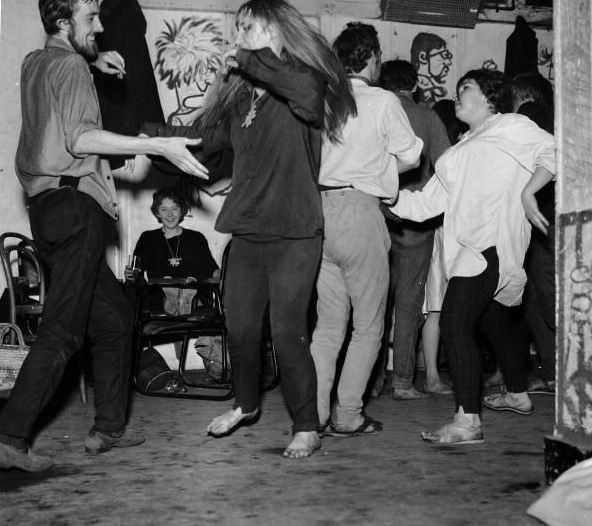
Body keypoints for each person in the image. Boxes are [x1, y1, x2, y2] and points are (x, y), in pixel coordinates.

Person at [142, 0, 356, 459]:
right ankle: (245, 404)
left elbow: (306, 93)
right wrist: (142, 137)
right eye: (236, 29)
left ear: (277, 33)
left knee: (286, 332)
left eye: (247, 27)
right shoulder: (241, 98)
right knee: (238, 329)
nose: (238, 35)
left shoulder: (302, 82)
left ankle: (306, 425)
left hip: (295, 232)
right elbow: (198, 141)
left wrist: (245, 59)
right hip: (248, 230)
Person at [0, 0, 207, 473]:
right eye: (90, 19)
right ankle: (10, 436)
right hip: (76, 208)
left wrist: (92, 59)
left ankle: (109, 427)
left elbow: (59, 73)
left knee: (113, 317)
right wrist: (153, 143)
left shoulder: (39, 62)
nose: (100, 26)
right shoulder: (71, 65)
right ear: (61, 22)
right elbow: (80, 139)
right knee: (65, 328)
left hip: (49, 210)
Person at [387, 69, 555, 444]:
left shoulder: (510, 125)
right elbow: (425, 204)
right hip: (466, 253)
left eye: (467, 88)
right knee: (495, 324)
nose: (458, 94)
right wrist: (384, 192)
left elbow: (556, 151)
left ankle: (468, 421)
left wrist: (530, 192)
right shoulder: (463, 146)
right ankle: (517, 392)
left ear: (489, 98)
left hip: (489, 247)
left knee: (455, 323)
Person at [309, 24, 422, 436]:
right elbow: (412, 156)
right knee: (369, 325)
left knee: (327, 326)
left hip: (320, 215)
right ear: (373, 58)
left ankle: (314, 417)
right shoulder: (382, 99)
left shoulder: (322, 98)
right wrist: (379, 171)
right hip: (360, 212)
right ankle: (349, 415)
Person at [371, 59, 450, 401]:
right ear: (414, 84)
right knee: (408, 303)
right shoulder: (428, 117)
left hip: (374, 217)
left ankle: (369, 383)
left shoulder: (371, 110)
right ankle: (402, 382)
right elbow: (447, 166)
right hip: (416, 224)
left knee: (371, 303)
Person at [511, 72, 556, 396]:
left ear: (521, 95)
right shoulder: (553, 118)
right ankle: (554, 372)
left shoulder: (530, 116)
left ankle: (562, 372)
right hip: (547, 217)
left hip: (541, 218)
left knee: (545, 298)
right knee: (539, 299)